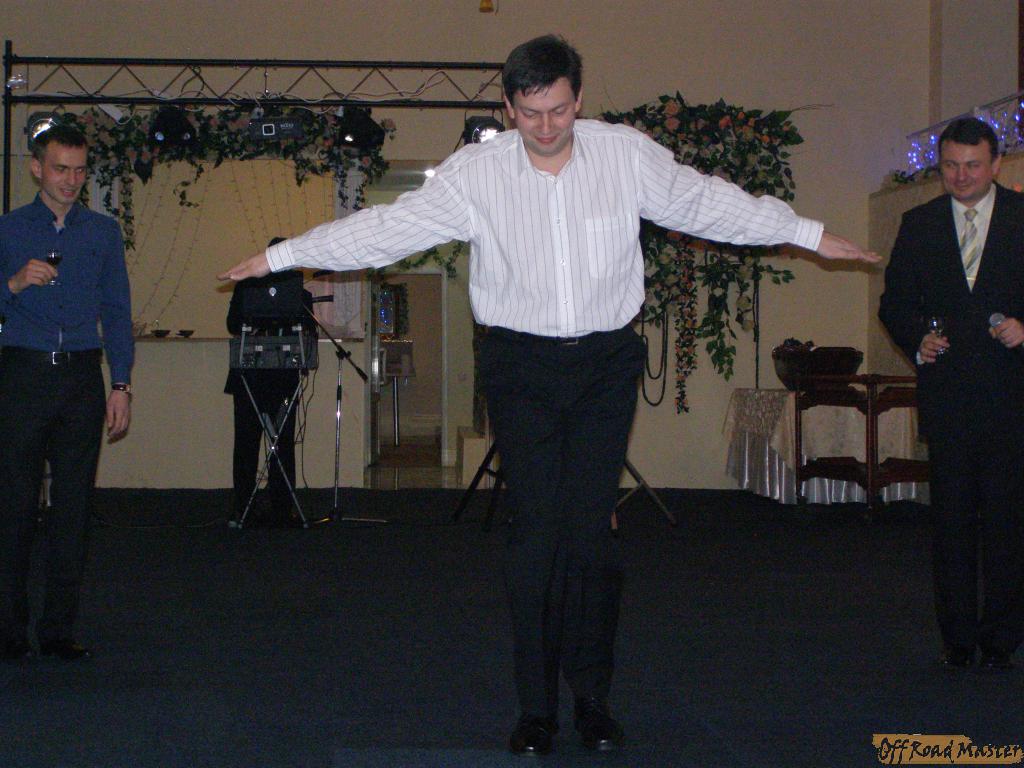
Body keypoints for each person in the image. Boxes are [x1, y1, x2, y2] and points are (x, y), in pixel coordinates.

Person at [220, 34, 877, 754]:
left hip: (604, 365)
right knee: (534, 535)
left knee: (592, 536)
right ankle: (536, 709)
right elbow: (387, 229)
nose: (545, 127)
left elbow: (705, 203)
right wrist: (285, 255)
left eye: (558, 111)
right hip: (519, 366)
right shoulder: (477, 173)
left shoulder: (625, 155)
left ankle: (592, 698)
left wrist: (807, 233)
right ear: (508, 107)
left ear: (578, 100)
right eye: (529, 113)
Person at [879, 117, 1024, 672]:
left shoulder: (1021, 218)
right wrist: (918, 337)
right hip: (949, 399)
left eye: (972, 166)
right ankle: (957, 638)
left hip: (1012, 398)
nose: (961, 176)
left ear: (996, 165)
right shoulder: (919, 224)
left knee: (1009, 525)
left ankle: (1003, 638)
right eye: (950, 166)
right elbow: (894, 304)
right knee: (951, 525)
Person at [0, 123, 133, 662]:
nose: (71, 180)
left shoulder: (102, 232)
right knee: (13, 506)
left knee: (73, 510)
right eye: (61, 169)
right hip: (23, 376)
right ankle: (9, 630)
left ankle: (57, 630)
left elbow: (117, 311)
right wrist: (12, 285)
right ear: (37, 168)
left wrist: (120, 383)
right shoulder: (8, 230)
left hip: (82, 379)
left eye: (79, 170)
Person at [224, 238, 311, 528]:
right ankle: (244, 508)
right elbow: (232, 324)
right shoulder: (247, 286)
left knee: (282, 443)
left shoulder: (300, 293)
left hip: (284, 377)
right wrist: (256, 324)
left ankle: (282, 508)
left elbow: (309, 331)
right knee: (246, 442)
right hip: (249, 376)